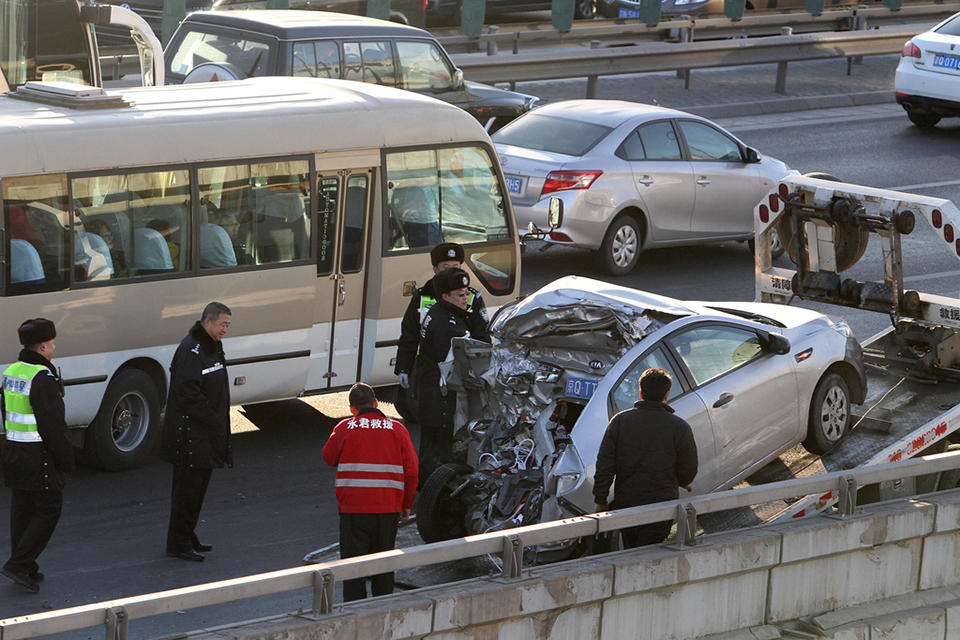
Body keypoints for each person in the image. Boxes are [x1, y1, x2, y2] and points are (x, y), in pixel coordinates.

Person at [321, 383, 418, 602]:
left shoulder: (345, 427)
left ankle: (356, 615)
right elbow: (412, 472)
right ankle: (381, 612)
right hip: (387, 511)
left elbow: (328, 457)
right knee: (383, 568)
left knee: (353, 570)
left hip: (353, 511)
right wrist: (407, 504)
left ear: (351, 408)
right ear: (376, 403)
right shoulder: (397, 429)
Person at [1, 318, 74, 592]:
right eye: (52, 343)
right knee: (49, 509)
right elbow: (53, 426)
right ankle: (19, 564)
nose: (54, 347)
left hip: (14, 451)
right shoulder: (42, 378)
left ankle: (27, 565)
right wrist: (67, 460)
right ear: (43, 346)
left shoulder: (12, 372)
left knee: (22, 510)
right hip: (38, 454)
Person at [593, 367, 698, 549]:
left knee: (631, 548)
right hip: (662, 505)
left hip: (627, 503)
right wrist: (681, 480)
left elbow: (605, 465)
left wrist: (601, 500)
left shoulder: (619, 422)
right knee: (650, 551)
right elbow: (689, 470)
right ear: (666, 394)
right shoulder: (679, 427)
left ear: (640, 392)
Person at [161, 302, 233, 562]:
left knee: (197, 490)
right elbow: (188, 394)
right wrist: (213, 420)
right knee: (186, 492)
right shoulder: (191, 350)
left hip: (206, 433)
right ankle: (179, 543)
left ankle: (187, 536)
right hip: (191, 436)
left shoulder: (211, 346)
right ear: (208, 322)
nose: (225, 329)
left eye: (228, 324)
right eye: (222, 324)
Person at [413, 268, 489, 487]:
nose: (466, 298)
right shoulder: (450, 326)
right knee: (441, 450)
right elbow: (458, 366)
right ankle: (437, 494)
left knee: (430, 447)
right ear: (445, 296)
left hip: (431, 393)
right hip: (441, 398)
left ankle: (426, 488)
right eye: (460, 294)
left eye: (466, 293)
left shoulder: (440, 313)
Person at [394, 243, 489, 407]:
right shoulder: (422, 296)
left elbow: (482, 337)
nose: (452, 271)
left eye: (456, 267)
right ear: (435, 270)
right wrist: (403, 368)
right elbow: (409, 334)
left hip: (461, 369)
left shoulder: (471, 297)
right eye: (446, 267)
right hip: (426, 366)